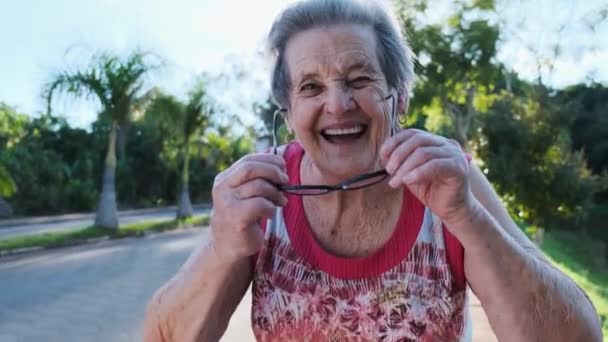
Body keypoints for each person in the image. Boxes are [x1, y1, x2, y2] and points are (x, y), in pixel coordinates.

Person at [143, 0, 602, 341]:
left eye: (360, 79)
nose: (338, 105)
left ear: (399, 98)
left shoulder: (447, 181)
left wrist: (468, 219)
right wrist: (223, 248)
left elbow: (578, 334)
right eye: (311, 86)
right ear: (288, 113)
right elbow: (162, 336)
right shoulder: (265, 193)